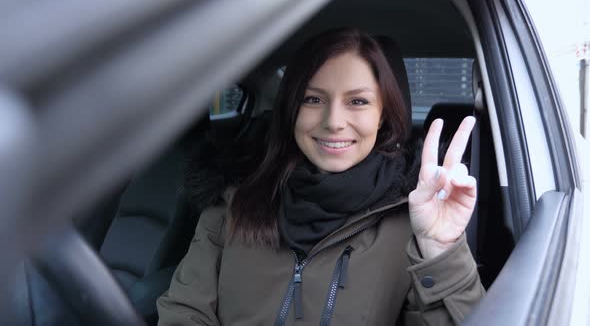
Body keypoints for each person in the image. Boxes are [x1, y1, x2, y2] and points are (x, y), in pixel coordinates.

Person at [157, 27, 484, 325]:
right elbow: (185, 312)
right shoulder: (233, 199)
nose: (333, 121)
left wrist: (438, 252)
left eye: (357, 101)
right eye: (313, 99)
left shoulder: (413, 220)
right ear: (291, 110)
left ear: (383, 114)